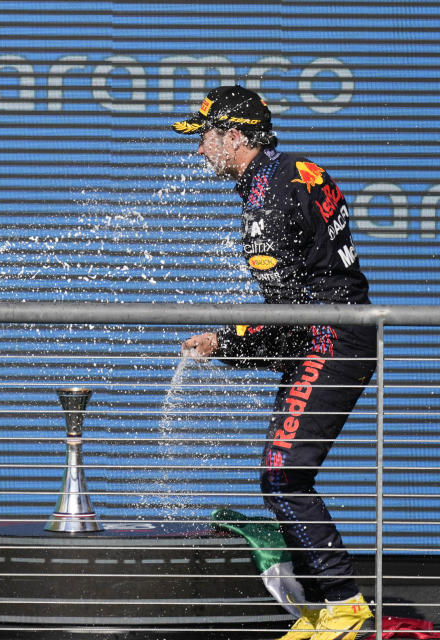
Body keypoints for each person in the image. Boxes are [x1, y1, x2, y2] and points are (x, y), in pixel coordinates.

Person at [173, 86, 376, 640]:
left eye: (205, 138)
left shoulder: (265, 198)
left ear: (234, 137)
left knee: (282, 475)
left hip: (329, 340)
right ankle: (321, 607)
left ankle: (345, 605)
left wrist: (227, 342)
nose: (199, 152)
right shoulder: (297, 169)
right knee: (281, 475)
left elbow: (287, 310)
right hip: (332, 332)